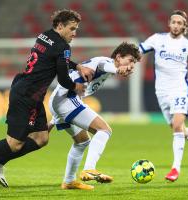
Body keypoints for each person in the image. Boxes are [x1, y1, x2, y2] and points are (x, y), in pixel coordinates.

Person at [0, 9, 94, 191]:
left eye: (76, 29)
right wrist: (76, 87)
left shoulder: (45, 36)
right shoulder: (63, 47)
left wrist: (77, 65)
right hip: (25, 96)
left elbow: (56, 59)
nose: (74, 33)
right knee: (14, 143)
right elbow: (63, 78)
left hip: (30, 92)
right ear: (60, 26)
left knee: (41, 138)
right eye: (72, 28)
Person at [48, 42, 141, 190]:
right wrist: (118, 69)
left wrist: (54, 120)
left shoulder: (108, 67)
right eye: (130, 60)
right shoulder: (106, 62)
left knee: (82, 142)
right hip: (66, 99)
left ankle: (69, 181)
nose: (131, 65)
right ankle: (89, 168)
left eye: (134, 63)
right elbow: (104, 66)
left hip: (61, 100)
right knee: (104, 130)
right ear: (118, 56)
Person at [139, 10, 188, 182]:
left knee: (178, 124)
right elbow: (140, 51)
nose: (176, 25)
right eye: (174, 22)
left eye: (180, 23)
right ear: (169, 23)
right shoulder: (157, 39)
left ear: (184, 26)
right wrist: (128, 60)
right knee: (179, 130)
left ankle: (175, 169)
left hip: (179, 89)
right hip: (161, 92)